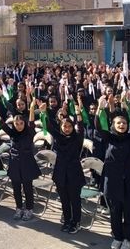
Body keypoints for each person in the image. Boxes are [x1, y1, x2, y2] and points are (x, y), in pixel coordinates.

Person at [95, 94, 130, 249]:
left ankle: (128, 240)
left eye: (123, 122)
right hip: (112, 181)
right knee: (115, 212)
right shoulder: (109, 137)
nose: (121, 125)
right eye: (118, 123)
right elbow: (98, 126)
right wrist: (100, 108)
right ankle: (117, 237)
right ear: (113, 125)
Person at [42, 100, 85, 234]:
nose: (67, 129)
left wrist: (78, 113)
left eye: (69, 126)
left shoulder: (77, 138)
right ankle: (67, 220)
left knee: (75, 200)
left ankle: (76, 222)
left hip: (74, 173)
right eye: (64, 126)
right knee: (65, 200)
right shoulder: (59, 138)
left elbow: (81, 127)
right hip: (60, 173)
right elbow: (49, 127)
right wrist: (44, 112)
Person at [1, 99, 41, 221]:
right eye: (16, 124)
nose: (19, 126)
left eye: (21, 123)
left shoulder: (29, 133)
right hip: (14, 164)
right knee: (16, 188)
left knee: (28, 188)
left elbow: (32, 122)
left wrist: (32, 108)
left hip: (27, 163)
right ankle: (19, 208)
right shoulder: (12, 133)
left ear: (24, 123)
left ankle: (29, 209)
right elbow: (1, 123)